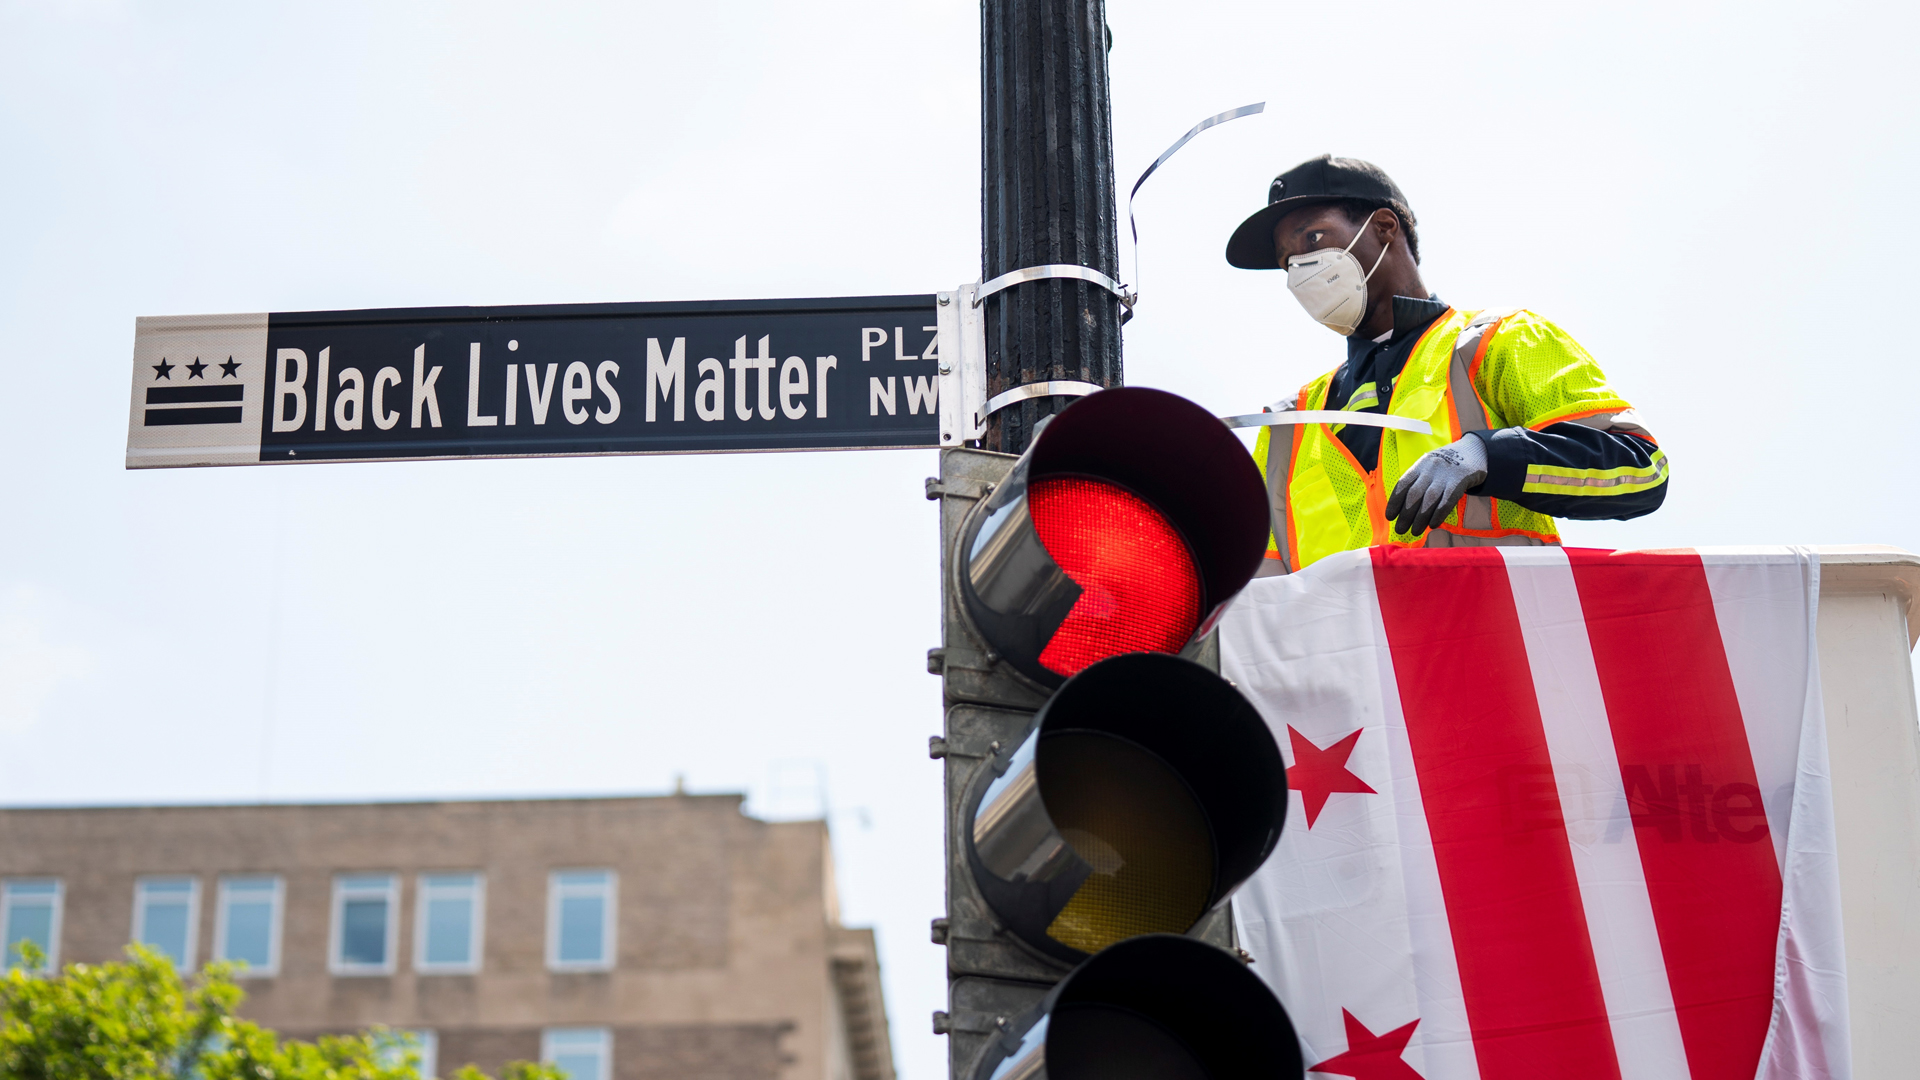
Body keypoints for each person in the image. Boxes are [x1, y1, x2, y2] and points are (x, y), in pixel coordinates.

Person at [1225, 154, 1667, 574]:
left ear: (1384, 227)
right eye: (1287, 262)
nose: (1299, 270)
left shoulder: (1495, 342)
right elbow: (1258, 596)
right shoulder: (1288, 428)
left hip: (1496, 627)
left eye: (1313, 239)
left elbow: (1639, 469)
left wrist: (1488, 454)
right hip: (1359, 635)